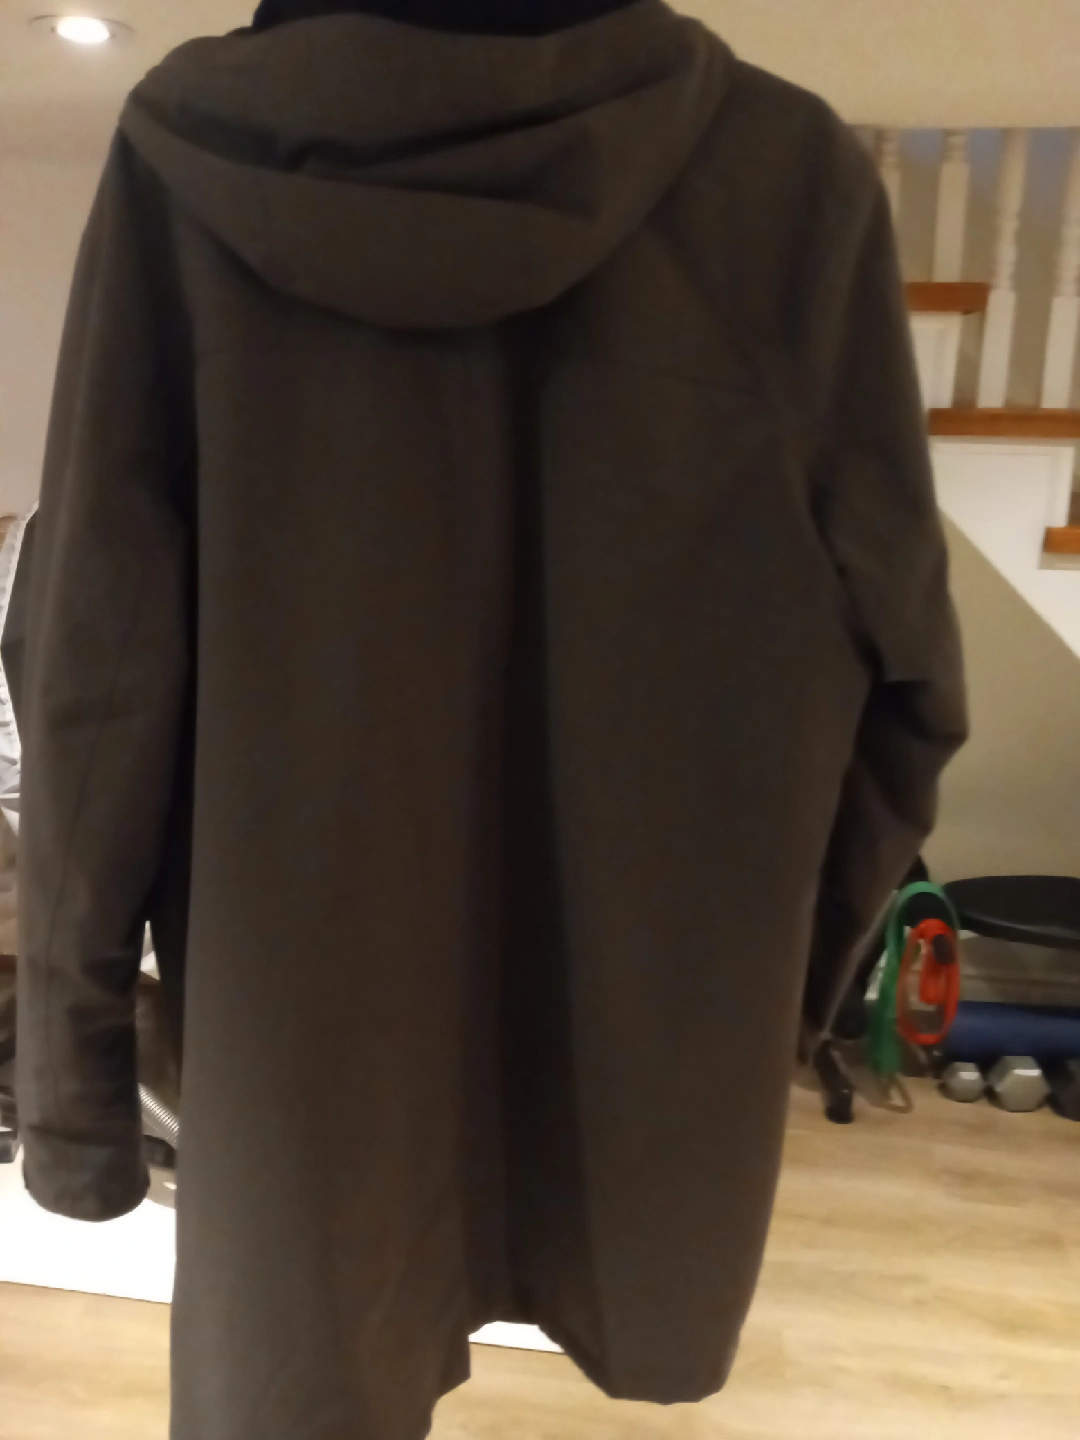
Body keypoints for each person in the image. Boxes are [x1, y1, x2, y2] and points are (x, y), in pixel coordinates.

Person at [15, 3, 966, 1438]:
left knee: (311, 1367)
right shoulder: (788, 180)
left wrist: (77, 1086)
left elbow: (94, 669)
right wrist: (758, 1005)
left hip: (308, 1061)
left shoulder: (186, 172)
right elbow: (907, 682)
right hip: (642, 1069)